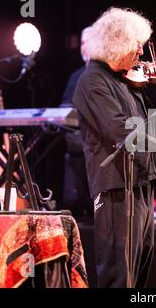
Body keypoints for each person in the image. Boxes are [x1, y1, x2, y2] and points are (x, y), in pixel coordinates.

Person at [72, 7, 156, 288]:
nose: (141, 54)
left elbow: (150, 123)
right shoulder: (92, 81)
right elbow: (119, 130)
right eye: (137, 46)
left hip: (141, 181)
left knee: (140, 268)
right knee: (118, 274)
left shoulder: (126, 80)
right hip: (116, 187)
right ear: (118, 44)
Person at [60, 26, 93, 215]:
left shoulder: (105, 76)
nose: (82, 47)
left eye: (85, 42)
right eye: (80, 42)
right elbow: (65, 106)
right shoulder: (76, 76)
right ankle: (76, 203)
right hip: (77, 139)